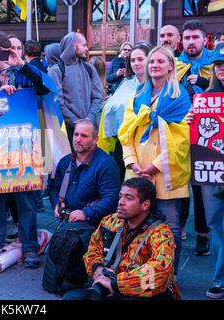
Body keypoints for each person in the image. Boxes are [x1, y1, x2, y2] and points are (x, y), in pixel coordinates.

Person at [0, 31, 50, 268]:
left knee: (25, 200)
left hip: (22, 148)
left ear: (1, 50)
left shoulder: (24, 73)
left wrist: (21, 66)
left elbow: (44, 87)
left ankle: (29, 246)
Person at [118, 46, 192, 275]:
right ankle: (138, 274)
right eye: (152, 62)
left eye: (160, 61)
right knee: (135, 224)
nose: (154, 65)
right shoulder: (138, 95)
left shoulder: (180, 97)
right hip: (138, 171)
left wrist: (154, 167)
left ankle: (169, 277)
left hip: (166, 171)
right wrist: (132, 162)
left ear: (171, 65)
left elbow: (181, 141)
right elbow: (125, 133)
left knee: (170, 226)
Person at [64, 177, 180, 300]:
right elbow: (92, 251)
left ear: (145, 204)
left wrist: (115, 284)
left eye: (128, 198)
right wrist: (98, 269)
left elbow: (159, 272)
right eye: (120, 196)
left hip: (147, 292)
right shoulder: (109, 221)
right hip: (110, 285)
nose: (120, 202)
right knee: (71, 297)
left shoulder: (161, 233)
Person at [185, 43, 224, 298]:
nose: (222, 69)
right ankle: (220, 279)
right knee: (217, 226)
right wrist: (190, 121)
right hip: (212, 168)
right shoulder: (206, 98)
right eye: (219, 65)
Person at [176, 19, 212, 255]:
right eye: (187, 38)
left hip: (209, 132)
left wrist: (204, 82)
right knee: (180, 183)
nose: (191, 42)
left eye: (195, 37)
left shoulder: (216, 62)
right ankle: (177, 228)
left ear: (204, 39)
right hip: (180, 131)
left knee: (203, 187)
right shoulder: (176, 63)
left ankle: (203, 233)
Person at [49, 119, 120, 226]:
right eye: (76, 134)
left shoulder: (106, 164)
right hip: (66, 223)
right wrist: (57, 204)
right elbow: (54, 188)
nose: (78, 139)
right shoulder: (65, 161)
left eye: (84, 136)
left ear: (95, 139)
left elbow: (111, 198)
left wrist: (85, 213)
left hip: (93, 226)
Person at [98, 43, 152, 182]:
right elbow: (111, 107)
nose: (136, 63)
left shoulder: (156, 82)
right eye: (133, 60)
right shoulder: (127, 82)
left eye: (140, 59)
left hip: (148, 141)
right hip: (123, 141)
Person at [48, 32, 103, 148]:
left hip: (89, 130)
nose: (87, 49)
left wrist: (88, 119)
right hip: (66, 132)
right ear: (73, 46)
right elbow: (57, 102)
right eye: (83, 45)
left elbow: (98, 97)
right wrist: (75, 122)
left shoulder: (89, 68)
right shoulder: (56, 71)